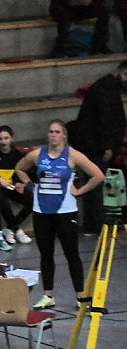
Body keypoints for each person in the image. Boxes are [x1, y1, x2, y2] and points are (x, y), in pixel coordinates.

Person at [14, 120, 104, 310]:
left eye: (57, 132)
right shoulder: (38, 154)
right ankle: (48, 295)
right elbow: (20, 168)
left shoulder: (73, 155)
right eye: (50, 131)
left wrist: (80, 191)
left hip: (65, 212)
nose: (53, 135)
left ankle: (81, 297)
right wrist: (32, 187)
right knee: (46, 254)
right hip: (41, 212)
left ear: (64, 135)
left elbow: (98, 175)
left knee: (72, 254)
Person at [68, 60, 127, 235]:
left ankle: (92, 224)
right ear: (119, 71)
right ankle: (96, 225)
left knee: (94, 183)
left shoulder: (107, 86)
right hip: (94, 145)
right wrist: (108, 147)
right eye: (126, 75)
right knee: (97, 183)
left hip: (93, 143)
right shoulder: (105, 88)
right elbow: (105, 119)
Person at [0, 125, 32, 245]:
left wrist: (19, 183)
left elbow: (20, 172)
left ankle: (11, 228)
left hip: (11, 185)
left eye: (6, 138)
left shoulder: (17, 154)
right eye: (0, 139)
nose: (3, 141)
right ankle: (17, 230)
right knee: (3, 202)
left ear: (12, 139)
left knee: (31, 201)